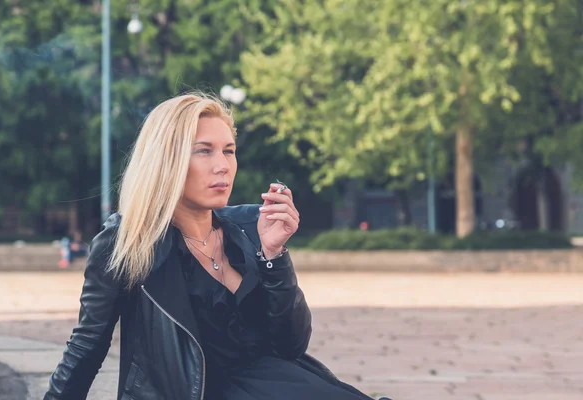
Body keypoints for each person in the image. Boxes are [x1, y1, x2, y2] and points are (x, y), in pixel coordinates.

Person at [44, 93, 391, 400]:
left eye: (229, 151)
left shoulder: (248, 227)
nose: (222, 165)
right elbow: (87, 345)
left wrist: (274, 256)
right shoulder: (129, 241)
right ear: (167, 160)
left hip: (280, 385)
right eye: (204, 151)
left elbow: (291, 344)